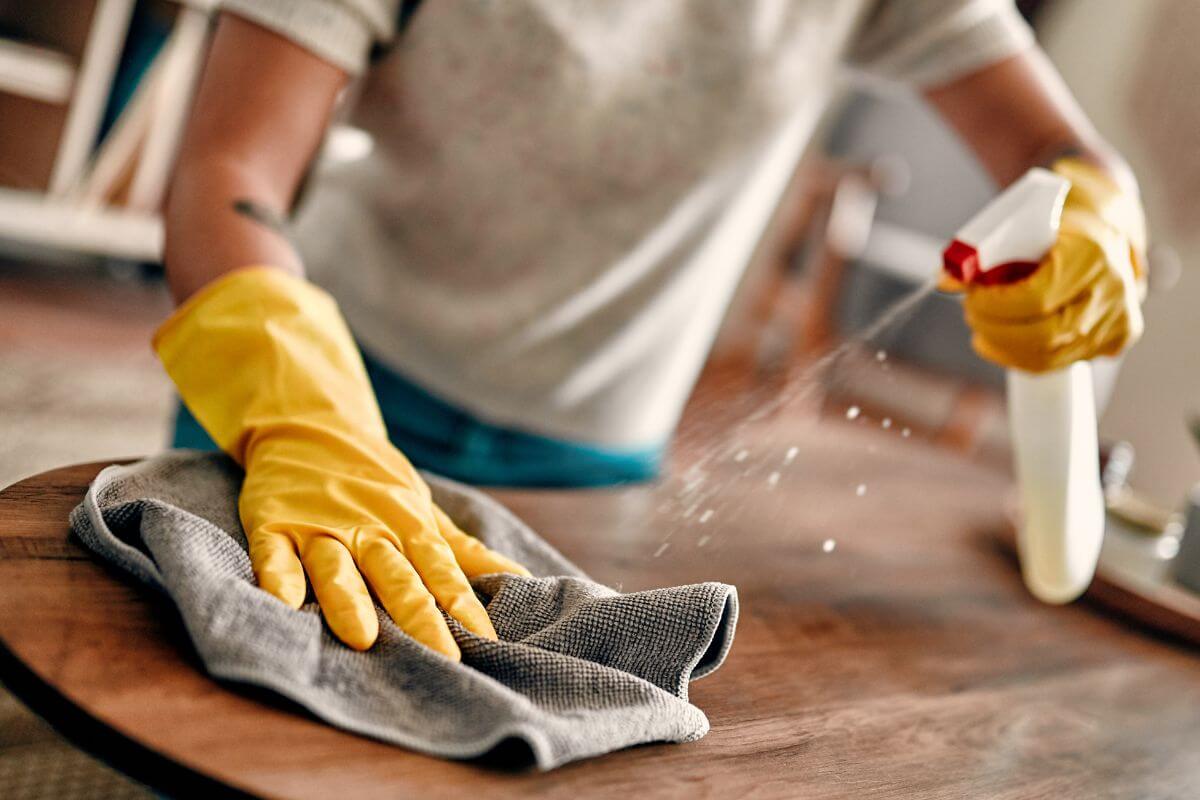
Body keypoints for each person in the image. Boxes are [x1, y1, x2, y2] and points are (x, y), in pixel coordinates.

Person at [157, 0, 1146, 656]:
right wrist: (305, 417)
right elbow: (230, 167)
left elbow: (1060, 146)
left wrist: (1097, 208)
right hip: (305, 400)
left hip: (590, 466)